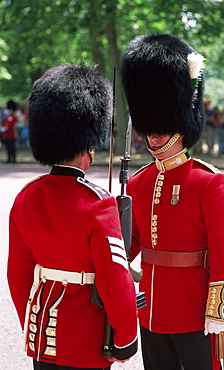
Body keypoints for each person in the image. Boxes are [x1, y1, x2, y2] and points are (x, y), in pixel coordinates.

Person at [120, 33, 224, 370]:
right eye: (150, 127)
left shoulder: (208, 181)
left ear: (181, 125)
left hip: (195, 309)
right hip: (150, 310)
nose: (155, 135)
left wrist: (219, 308)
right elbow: (127, 245)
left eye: (163, 126)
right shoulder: (139, 181)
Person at [7, 63, 138, 370]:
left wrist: (32, 319)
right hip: (87, 338)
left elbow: (18, 275)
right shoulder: (98, 204)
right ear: (85, 149)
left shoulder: (26, 197)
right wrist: (125, 338)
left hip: (43, 337)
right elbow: (115, 279)